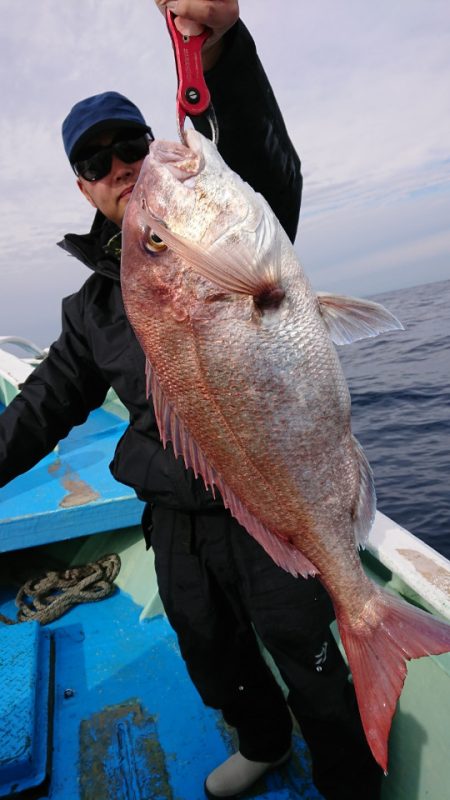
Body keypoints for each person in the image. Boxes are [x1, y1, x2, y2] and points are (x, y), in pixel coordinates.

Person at [0, 2, 383, 798]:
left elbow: (267, 164)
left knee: (309, 659)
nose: (119, 165)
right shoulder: (89, 311)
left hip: (268, 506)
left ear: (152, 146)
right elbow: (42, 405)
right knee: (213, 654)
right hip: (176, 521)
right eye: (95, 160)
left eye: (130, 145)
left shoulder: (229, 235)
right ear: (82, 185)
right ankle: (263, 743)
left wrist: (222, 48)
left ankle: (350, 780)